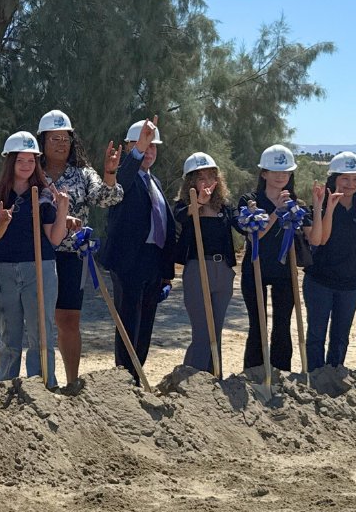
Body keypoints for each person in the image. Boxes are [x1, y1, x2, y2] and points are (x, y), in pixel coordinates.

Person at [0, 132, 70, 389]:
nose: (26, 166)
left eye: (31, 160)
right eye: (20, 160)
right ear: (10, 162)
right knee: (9, 335)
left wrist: (62, 211)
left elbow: (55, 238)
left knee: (41, 334)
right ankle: (4, 386)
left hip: (40, 269)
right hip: (3, 270)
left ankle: (43, 386)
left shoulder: (45, 195)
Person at [36, 109, 122, 385]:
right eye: (54, 138)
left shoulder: (83, 174)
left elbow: (106, 197)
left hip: (73, 257)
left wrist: (109, 173)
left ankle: (72, 382)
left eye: (66, 138)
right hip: (39, 255)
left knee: (69, 321)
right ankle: (42, 382)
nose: (61, 144)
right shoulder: (32, 172)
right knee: (39, 322)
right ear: (42, 141)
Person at [99, 116, 176, 383]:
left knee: (145, 327)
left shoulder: (154, 182)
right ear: (130, 147)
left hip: (152, 263)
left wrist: (166, 272)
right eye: (143, 145)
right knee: (128, 324)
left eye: (153, 146)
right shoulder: (123, 177)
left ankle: (138, 375)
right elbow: (122, 181)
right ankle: (124, 380)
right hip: (129, 263)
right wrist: (137, 151)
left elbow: (165, 225)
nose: (149, 151)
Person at [236, 144, 320, 372]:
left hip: (285, 271)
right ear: (264, 173)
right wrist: (276, 212)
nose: (281, 176)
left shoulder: (297, 204)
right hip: (255, 269)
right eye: (275, 171)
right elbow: (255, 236)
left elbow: (314, 237)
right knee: (258, 325)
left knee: (282, 325)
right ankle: (254, 372)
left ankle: (281, 372)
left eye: (285, 171)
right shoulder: (249, 201)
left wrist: (319, 205)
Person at [304, 152, 356, 370]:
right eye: (345, 179)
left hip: (350, 284)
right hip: (320, 281)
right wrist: (328, 208)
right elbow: (321, 240)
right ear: (334, 180)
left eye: (355, 179)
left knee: (341, 336)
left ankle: (335, 372)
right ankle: (315, 375)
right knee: (316, 334)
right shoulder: (321, 204)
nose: (350, 184)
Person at [173, 152, 236, 373]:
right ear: (191, 181)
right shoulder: (184, 206)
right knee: (202, 333)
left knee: (216, 332)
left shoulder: (224, 206)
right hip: (197, 270)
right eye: (201, 177)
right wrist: (198, 203)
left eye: (211, 176)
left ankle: (214, 377)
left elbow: (240, 223)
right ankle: (191, 379)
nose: (207, 181)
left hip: (223, 271)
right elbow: (181, 217)